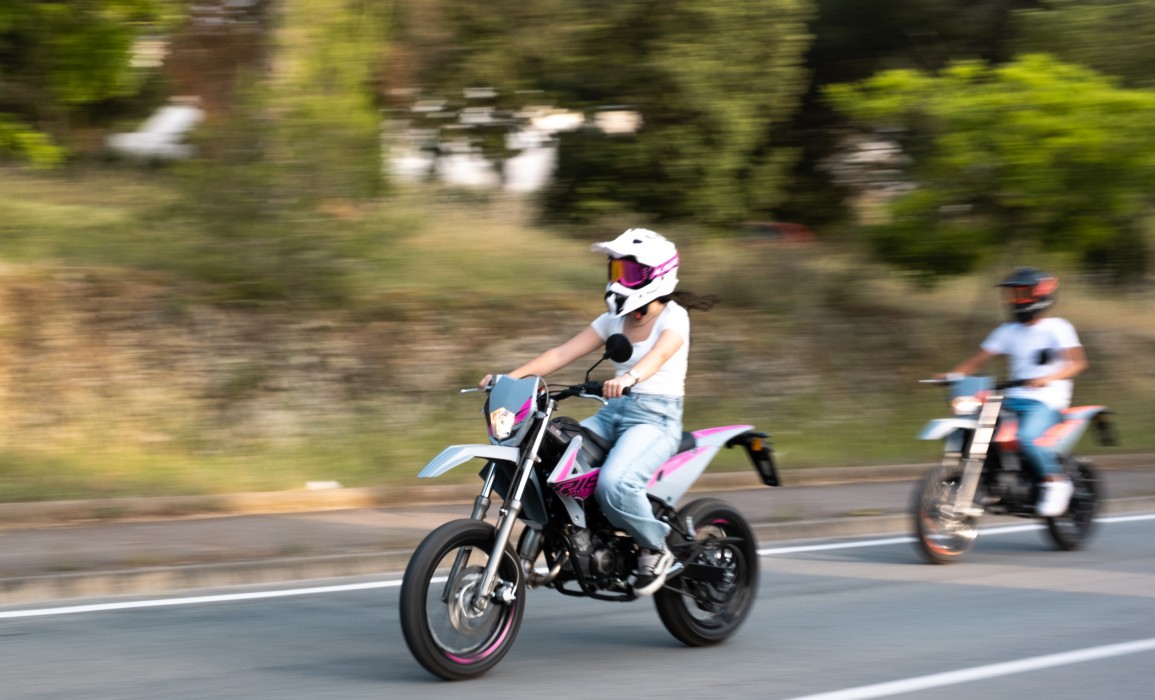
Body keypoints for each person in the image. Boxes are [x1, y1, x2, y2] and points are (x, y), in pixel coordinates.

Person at [479, 228, 713, 596]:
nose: (618, 280)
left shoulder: (674, 317)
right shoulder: (613, 321)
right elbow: (561, 354)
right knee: (553, 462)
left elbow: (659, 355)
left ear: (658, 276)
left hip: (655, 418)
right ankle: (578, 539)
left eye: (629, 272)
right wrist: (509, 379)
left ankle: (656, 546)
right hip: (611, 413)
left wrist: (630, 377)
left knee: (614, 484)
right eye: (615, 270)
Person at [942, 267, 1088, 517]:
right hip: (1012, 397)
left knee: (1027, 438)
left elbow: (1078, 363)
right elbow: (977, 360)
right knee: (974, 426)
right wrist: (951, 376)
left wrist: (1047, 378)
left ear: (1040, 296)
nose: (1016, 300)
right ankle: (981, 482)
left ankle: (1056, 482)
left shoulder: (1058, 328)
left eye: (1022, 294)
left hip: (1046, 401)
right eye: (1012, 295)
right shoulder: (1008, 331)